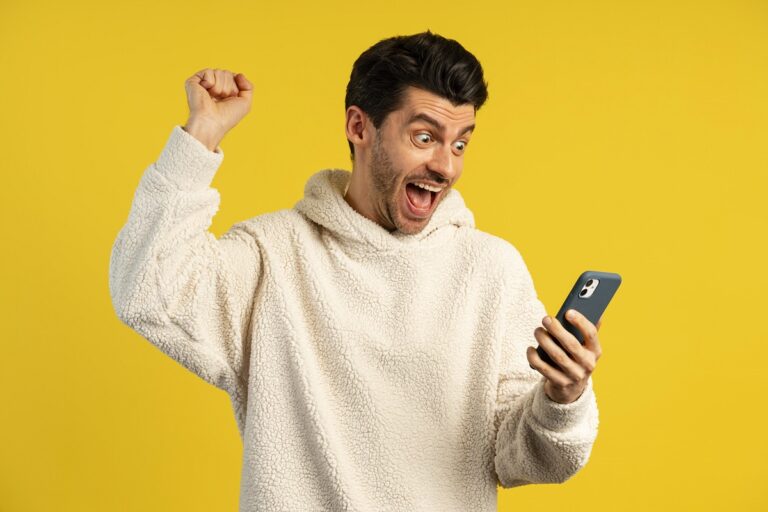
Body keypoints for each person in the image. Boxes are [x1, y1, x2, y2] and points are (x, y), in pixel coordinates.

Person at [109, 30, 604, 512]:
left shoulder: (490, 270)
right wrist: (201, 138)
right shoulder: (274, 256)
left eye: (459, 144)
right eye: (425, 136)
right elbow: (148, 291)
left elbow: (530, 459)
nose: (446, 167)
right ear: (359, 127)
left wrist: (562, 399)